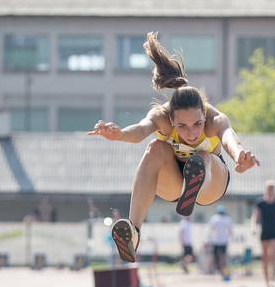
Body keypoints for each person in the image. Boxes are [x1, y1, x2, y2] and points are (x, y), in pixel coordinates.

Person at [88, 32, 259, 263]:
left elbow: (230, 140)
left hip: (211, 183)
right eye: (182, 126)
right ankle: (134, 232)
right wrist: (118, 134)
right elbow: (139, 131)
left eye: (197, 124)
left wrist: (240, 157)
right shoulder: (161, 117)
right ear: (171, 119)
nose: (191, 132)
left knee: (203, 154)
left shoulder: (215, 120)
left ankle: (196, 180)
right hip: (175, 184)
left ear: (204, 114)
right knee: (155, 148)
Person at [250, 180, 275, 287]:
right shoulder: (260, 202)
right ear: (266, 189)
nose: (271, 190)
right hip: (264, 231)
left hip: (274, 231)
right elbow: (255, 216)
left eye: (272, 188)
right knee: (265, 257)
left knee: (274, 254)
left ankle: (273, 279)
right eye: (269, 188)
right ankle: (266, 281)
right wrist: (253, 226)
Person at [209, 205, 233, 275]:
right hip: (224, 240)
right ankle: (222, 271)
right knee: (223, 256)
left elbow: (211, 229)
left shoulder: (214, 218)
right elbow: (230, 231)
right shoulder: (228, 219)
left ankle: (211, 270)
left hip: (215, 240)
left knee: (214, 256)